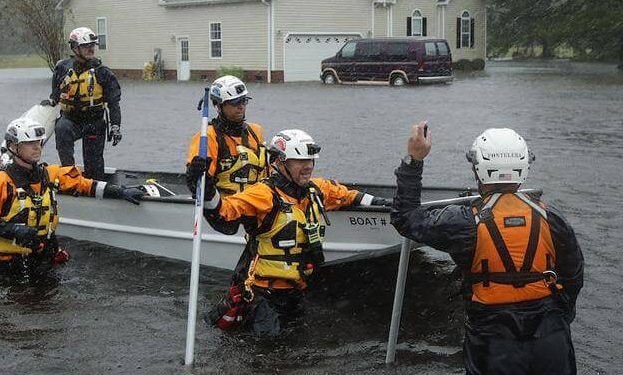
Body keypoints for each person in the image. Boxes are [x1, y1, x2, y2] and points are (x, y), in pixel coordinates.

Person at [390, 123, 584, 375]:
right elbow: (573, 277)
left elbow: (406, 218)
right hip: (550, 337)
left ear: (477, 171)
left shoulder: (464, 222)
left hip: (494, 341)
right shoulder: (552, 219)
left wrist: (414, 160)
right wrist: (558, 319)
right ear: (524, 167)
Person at [188, 129, 389, 336]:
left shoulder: (316, 190)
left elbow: (349, 196)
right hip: (263, 296)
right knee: (268, 348)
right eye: (300, 161)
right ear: (281, 162)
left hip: (296, 293)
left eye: (310, 160)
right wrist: (206, 190)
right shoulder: (263, 194)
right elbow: (224, 215)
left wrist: (385, 204)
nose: (308, 166)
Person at [0, 117, 145, 278]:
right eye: (30, 143)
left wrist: (120, 191)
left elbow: (85, 185)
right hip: (6, 266)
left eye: (39, 142)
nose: (37, 147)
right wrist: (13, 230)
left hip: (43, 259)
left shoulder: (49, 174)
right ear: (14, 147)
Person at [42, 26, 122, 180]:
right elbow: (56, 95)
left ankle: (96, 187)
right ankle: (69, 177)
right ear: (74, 48)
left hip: (94, 121)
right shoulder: (62, 68)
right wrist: (50, 102)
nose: (91, 49)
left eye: (92, 45)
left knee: (94, 165)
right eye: (86, 46)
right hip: (71, 119)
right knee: (62, 128)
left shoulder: (103, 72)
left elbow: (114, 103)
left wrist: (116, 125)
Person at [186, 75, 268, 201]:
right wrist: (194, 174)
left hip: (257, 204)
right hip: (226, 208)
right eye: (235, 102)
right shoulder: (208, 136)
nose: (241, 106)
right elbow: (195, 185)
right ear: (219, 106)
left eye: (243, 100)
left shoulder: (255, 131)